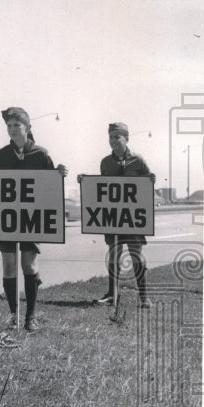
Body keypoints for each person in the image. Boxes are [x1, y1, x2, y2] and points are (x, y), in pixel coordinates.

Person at [0, 107, 68, 332]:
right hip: (7, 220)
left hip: (31, 219)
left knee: (29, 264)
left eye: (17, 125)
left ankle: (30, 317)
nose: (12, 130)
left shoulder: (41, 154)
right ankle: (14, 316)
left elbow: (50, 186)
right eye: (9, 126)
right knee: (9, 265)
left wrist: (59, 173)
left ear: (28, 128)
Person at [79, 122, 155, 308]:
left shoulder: (138, 160)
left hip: (132, 218)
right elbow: (103, 187)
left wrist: (151, 180)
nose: (113, 141)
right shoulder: (105, 162)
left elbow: (147, 185)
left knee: (136, 254)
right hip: (113, 217)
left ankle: (144, 297)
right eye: (111, 137)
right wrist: (85, 181)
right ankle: (113, 294)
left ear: (126, 138)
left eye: (117, 137)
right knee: (114, 253)